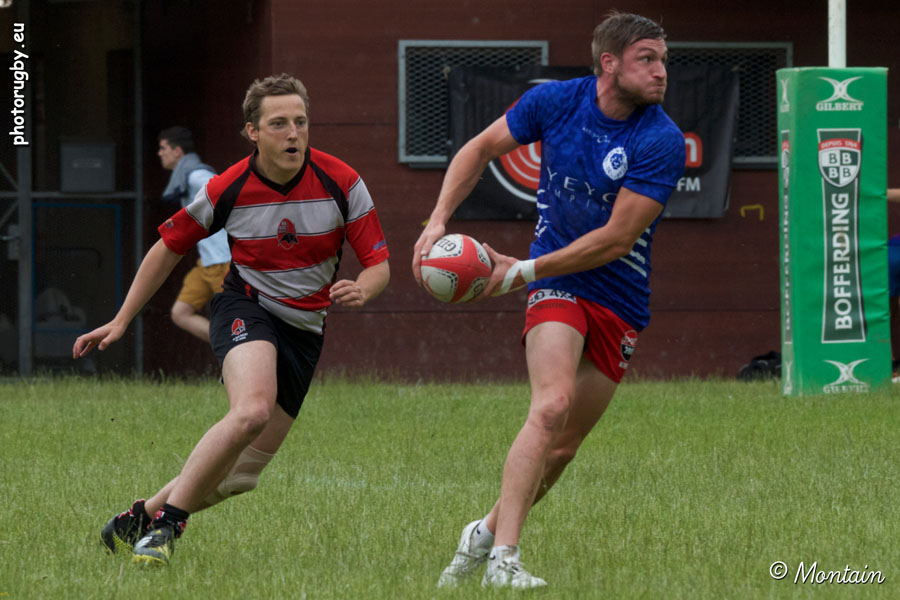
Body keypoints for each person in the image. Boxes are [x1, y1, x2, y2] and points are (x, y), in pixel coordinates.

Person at [413, 12, 685, 589]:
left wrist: (520, 270)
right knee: (551, 405)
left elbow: (616, 239)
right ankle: (504, 562)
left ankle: (481, 533)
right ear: (609, 63)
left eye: (663, 60)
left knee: (562, 450)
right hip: (558, 286)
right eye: (647, 59)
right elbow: (479, 148)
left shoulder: (660, 139)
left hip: (619, 297)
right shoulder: (557, 101)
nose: (661, 71)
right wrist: (437, 220)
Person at [73, 73, 390, 566]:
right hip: (247, 306)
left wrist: (365, 287)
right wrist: (121, 319)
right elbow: (167, 247)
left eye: (301, 122)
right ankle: (166, 529)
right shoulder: (228, 187)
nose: (293, 133)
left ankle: (140, 518)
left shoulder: (342, 182)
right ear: (253, 132)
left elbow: (379, 265)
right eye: (279, 123)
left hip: (307, 330)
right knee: (251, 411)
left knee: (241, 477)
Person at [157, 126, 230, 344]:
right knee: (180, 313)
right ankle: (229, 346)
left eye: (163, 148)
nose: (160, 153)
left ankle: (240, 352)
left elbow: (227, 194)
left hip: (224, 262)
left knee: (236, 322)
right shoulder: (186, 176)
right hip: (208, 262)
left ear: (177, 151)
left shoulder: (196, 176)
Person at [889, 188, 900, 382]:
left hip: (892, 249)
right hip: (893, 249)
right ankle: (890, 369)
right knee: (884, 312)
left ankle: (890, 369)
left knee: (884, 313)